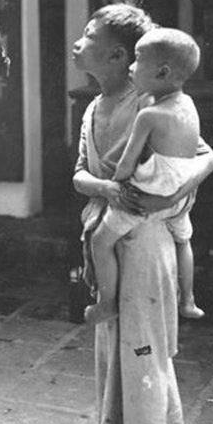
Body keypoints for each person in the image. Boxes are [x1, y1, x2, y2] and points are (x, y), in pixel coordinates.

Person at [72, 3, 213, 424]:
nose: (78, 42)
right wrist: (106, 190)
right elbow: (80, 175)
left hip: (147, 245)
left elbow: (205, 156)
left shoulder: (153, 105)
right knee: (127, 357)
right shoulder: (94, 109)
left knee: (143, 357)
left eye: (87, 36)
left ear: (116, 56)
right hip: (110, 237)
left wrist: (167, 197)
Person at [85, 27, 205, 326]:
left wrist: (118, 182)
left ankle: (106, 303)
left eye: (136, 61)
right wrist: (177, 196)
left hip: (144, 200)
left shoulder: (148, 111)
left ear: (162, 72)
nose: (131, 68)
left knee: (100, 242)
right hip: (179, 197)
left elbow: (125, 165)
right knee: (184, 240)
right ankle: (188, 299)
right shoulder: (186, 105)